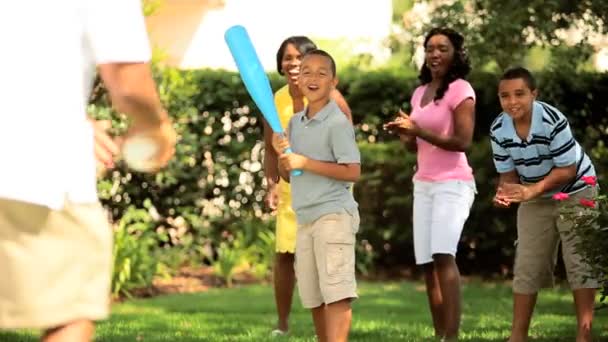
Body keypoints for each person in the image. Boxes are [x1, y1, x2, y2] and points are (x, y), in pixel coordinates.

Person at [0, 1, 175, 341]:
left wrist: (74, 120)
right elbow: (127, 80)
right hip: (33, 168)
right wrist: (156, 125)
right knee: (69, 313)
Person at [490, 67, 598, 342]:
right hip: (535, 195)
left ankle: (584, 335)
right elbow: (508, 173)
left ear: (534, 94)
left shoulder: (552, 120)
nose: (512, 102)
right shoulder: (498, 129)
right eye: (505, 96)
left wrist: (529, 191)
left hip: (577, 189)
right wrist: (506, 193)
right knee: (527, 264)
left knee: (579, 261)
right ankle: (517, 337)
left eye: (519, 94)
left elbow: (567, 169)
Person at [383, 27, 476, 341]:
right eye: (430, 48)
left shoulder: (461, 89)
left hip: (453, 183)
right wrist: (405, 135)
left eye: (443, 48)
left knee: (443, 255)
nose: (435, 54)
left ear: (455, 53)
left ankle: (452, 335)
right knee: (426, 263)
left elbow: (463, 141)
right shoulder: (419, 92)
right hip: (422, 183)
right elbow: (416, 145)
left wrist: (418, 131)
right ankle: (439, 335)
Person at [263, 36, 352, 336]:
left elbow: (349, 161)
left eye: (301, 58)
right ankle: (287, 325)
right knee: (296, 268)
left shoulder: (333, 105)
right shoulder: (283, 107)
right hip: (296, 195)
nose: (294, 64)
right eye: (288, 58)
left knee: (329, 272)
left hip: (328, 198)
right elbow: (274, 154)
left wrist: (306, 162)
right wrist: (275, 178)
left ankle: (331, 334)